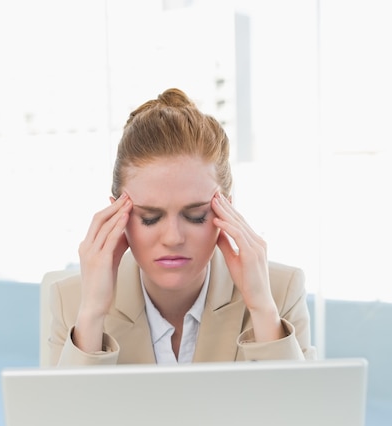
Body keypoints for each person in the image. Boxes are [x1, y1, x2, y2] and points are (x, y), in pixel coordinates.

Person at [49, 88, 316, 366]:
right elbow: (62, 410)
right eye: (150, 218)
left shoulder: (280, 291)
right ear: (117, 216)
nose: (173, 238)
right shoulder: (71, 301)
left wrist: (262, 308)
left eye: (196, 216)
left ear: (226, 210)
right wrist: (92, 315)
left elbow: (300, 408)